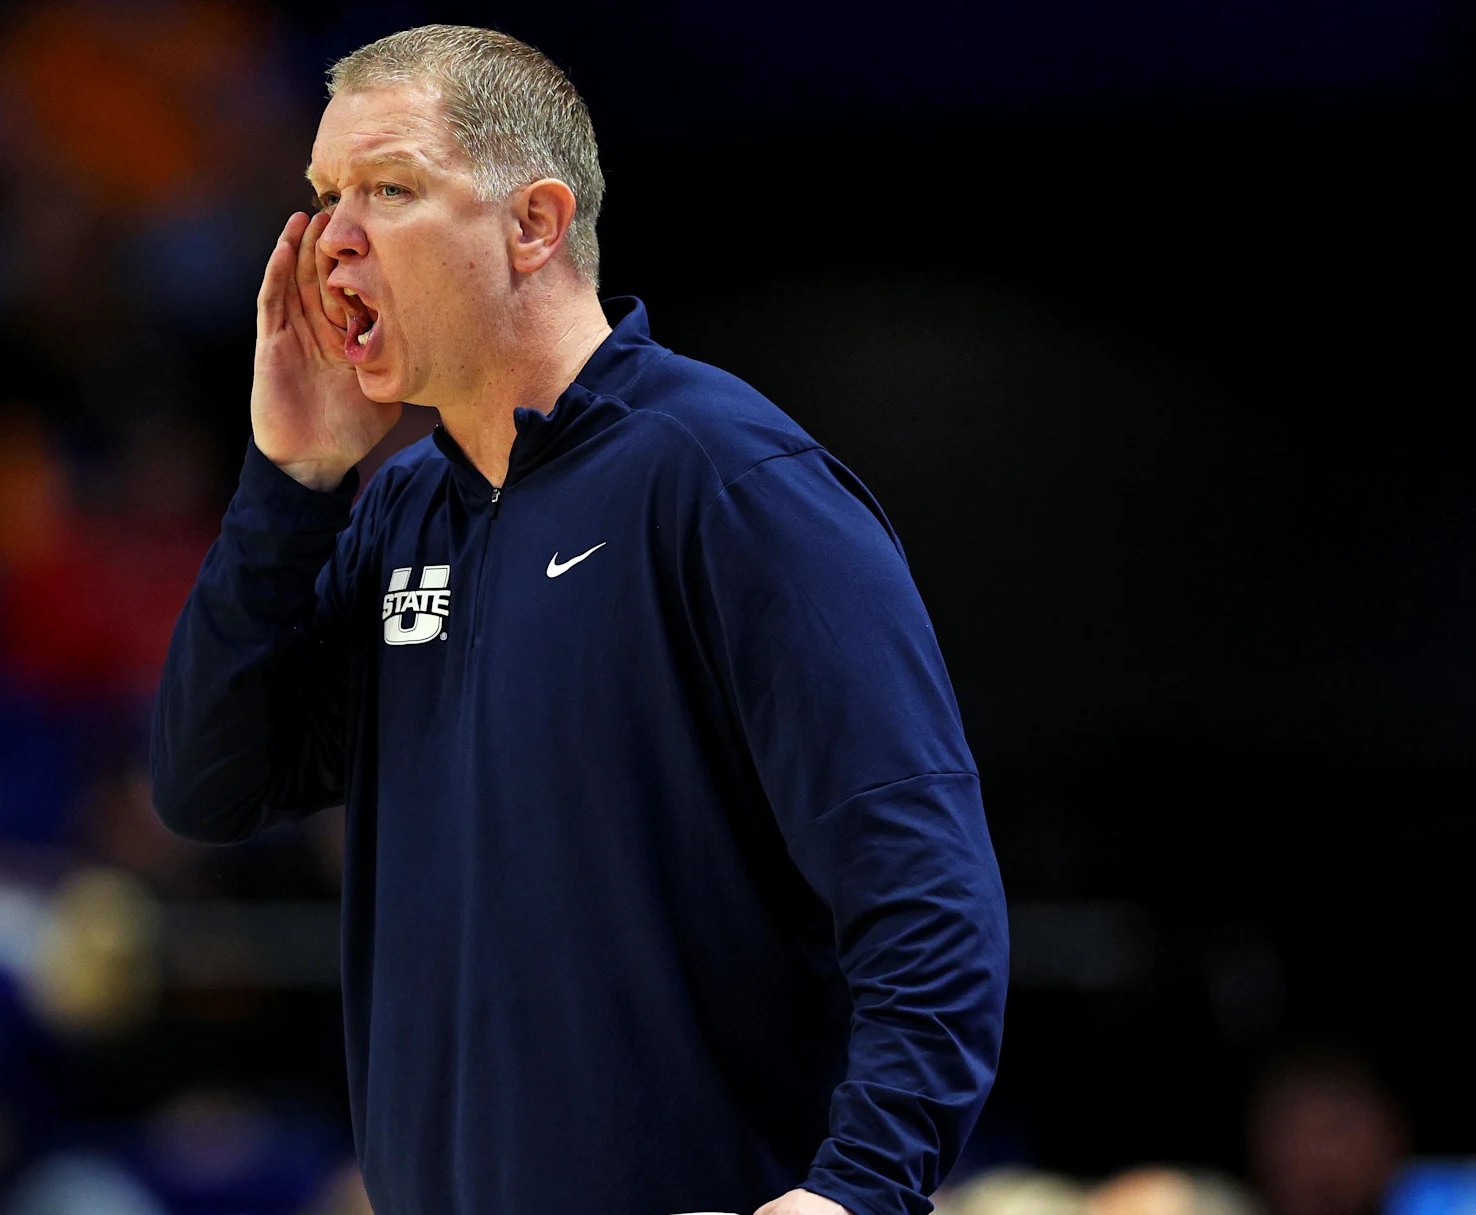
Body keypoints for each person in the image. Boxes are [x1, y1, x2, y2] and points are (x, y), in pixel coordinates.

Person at [150, 24, 1008, 1215]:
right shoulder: (404, 510)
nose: (332, 236)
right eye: (325, 192)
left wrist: (858, 1191)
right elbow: (208, 787)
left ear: (534, 225)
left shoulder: (726, 480)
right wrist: (286, 484)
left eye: (388, 189)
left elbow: (927, 893)